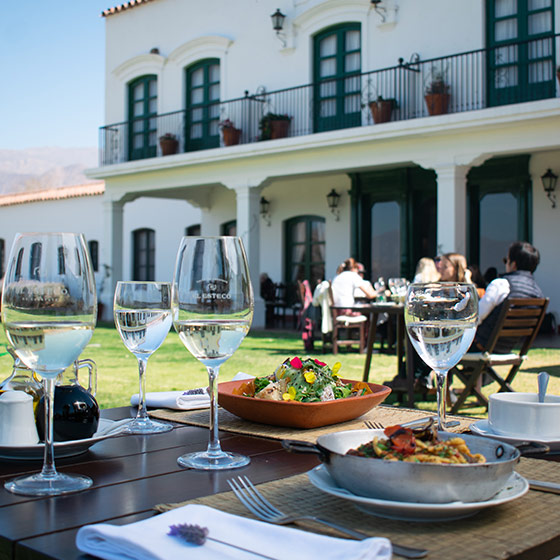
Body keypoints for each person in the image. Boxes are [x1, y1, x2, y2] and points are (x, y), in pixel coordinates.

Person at [473, 241, 544, 353]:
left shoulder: (502, 284)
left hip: (481, 345)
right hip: (506, 347)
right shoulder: (537, 293)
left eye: (506, 260)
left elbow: (477, 317)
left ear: (513, 264)